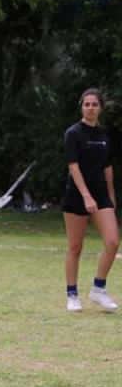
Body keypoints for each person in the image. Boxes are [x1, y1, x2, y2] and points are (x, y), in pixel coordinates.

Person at [62, 88, 119, 313]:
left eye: (95, 104)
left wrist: (111, 197)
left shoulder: (105, 136)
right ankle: (72, 294)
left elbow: (107, 168)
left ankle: (98, 288)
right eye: (87, 104)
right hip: (77, 196)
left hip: (101, 196)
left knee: (113, 241)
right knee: (75, 247)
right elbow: (73, 167)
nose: (91, 108)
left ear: (100, 108)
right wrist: (86, 196)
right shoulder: (73, 133)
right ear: (82, 107)